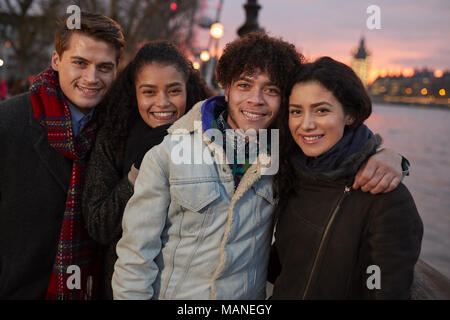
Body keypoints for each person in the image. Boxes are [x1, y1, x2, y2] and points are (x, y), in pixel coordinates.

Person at [112, 33, 406, 300]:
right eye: (244, 85)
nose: (256, 100)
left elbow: (338, 160)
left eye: (271, 90)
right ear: (226, 90)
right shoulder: (169, 154)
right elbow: (135, 258)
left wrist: (389, 157)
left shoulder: (288, 157)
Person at [269, 57, 423, 299]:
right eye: (296, 111)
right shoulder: (295, 174)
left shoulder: (385, 198)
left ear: (350, 115)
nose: (306, 124)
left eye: (321, 110)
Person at [0, 12, 124, 299]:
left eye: (104, 67)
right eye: (80, 63)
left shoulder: (119, 133)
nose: (91, 78)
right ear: (56, 60)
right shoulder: (7, 123)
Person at [82, 40, 211, 299]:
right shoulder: (114, 138)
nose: (162, 103)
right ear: (135, 93)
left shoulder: (209, 140)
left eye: (174, 91)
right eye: (149, 92)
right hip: (124, 288)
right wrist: (136, 174)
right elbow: (98, 225)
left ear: (189, 90)